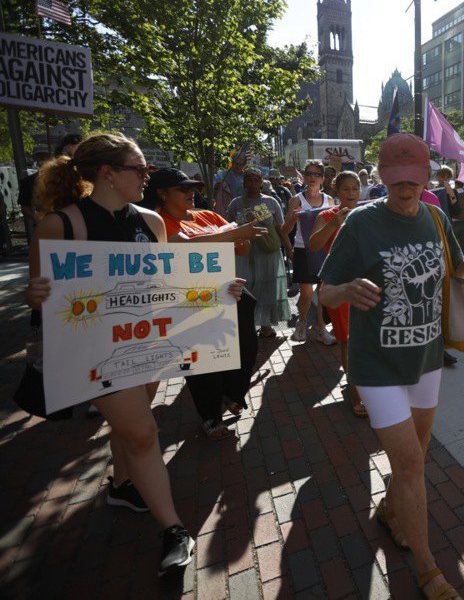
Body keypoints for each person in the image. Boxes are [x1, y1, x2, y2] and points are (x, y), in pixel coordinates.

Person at [23, 134, 242, 575]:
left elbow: (164, 286)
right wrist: (37, 294)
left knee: (132, 419)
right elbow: (39, 300)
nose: (148, 177)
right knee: (142, 432)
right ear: (108, 173)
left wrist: (217, 292)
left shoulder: (151, 222)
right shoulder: (59, 226)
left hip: (147, 342)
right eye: (140, 169)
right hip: (96, 352)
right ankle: (174, 530)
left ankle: (122, 485)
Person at [318, 133, 464, 599]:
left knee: (415, 452)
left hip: (426, 360)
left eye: (413, 179)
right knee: (412, 462)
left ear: (425, 177)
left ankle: (390, 510)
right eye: (396, 179)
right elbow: (324, 292)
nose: (405, 188)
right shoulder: (360, 222)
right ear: (382, 176)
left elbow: (457, 273)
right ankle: (427, 567)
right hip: (376, 366)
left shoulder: (436, 217)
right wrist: (346, 290)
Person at [141, 167, 264, 438]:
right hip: (190, 300)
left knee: (245, 346)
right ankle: (210, 416)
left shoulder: (207, 215)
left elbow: (241, 247)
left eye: (193, 188)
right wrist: (232, 233)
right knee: (203, 358)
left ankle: (231, 393)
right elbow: (185, 247)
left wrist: (240, 236)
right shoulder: (159, 222)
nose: (191, 193)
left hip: (228, 291)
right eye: (183, 188)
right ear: (162, 194)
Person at [310, 170, 366, 417]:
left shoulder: (369, 213)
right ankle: (355, 395)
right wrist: (334, 223)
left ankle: (363, 382)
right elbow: (314, 244)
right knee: (348, 340)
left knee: (368, 338)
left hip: (367, 283)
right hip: (338, 285)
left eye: (355, 188)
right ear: (336, 191)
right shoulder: (326, 215)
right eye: (346, 189)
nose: (352, 193)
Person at [227, 168, 293, 337]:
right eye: (249, 179)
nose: (253, 183)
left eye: (256, 180)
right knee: (245, 286)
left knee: (268, 286)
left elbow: (280, 228)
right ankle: (247, 325)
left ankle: (265, 326)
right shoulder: (236, 203)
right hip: (244, 252)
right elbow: (228, 229)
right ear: (244, 182)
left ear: (262, 182)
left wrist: (289, 249)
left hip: (268, 252)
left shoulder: (271, 202)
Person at [282, 159, 335, 344]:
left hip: (323, 250)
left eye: (317, 174)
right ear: (304, 177)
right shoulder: (296, 199)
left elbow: (332, 227)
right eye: (309, 174)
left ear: (323, 179)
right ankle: (302, 323)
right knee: (306, 294)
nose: (313, 177)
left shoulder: (329, 200)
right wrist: (292, 218)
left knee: (321, 292)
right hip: (302, 249)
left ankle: (321, 328)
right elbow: (285, 230)